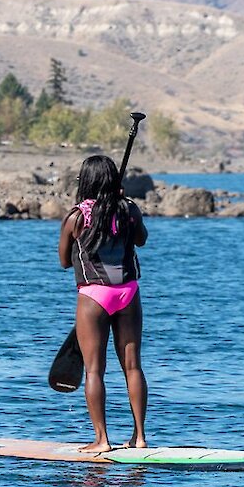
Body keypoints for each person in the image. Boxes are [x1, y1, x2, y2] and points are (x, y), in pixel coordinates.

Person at [58, 154, 150, 453]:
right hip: (128, 292)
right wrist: (122, 208)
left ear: (85, 182)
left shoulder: (76, 217)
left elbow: (62, 261)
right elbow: (141, 240)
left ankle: (102, 440)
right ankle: (139, 437)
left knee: (94, 371)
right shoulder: (129, 210)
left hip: (94, 297)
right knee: (133, 367)